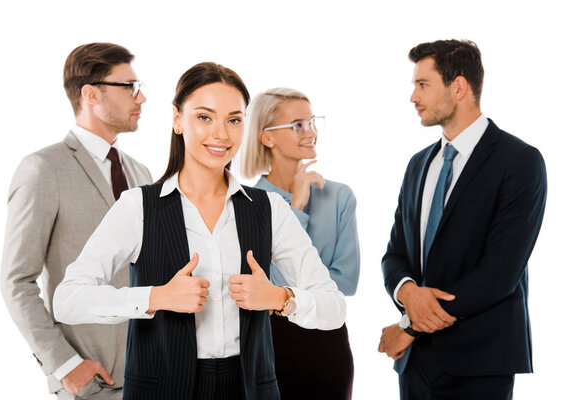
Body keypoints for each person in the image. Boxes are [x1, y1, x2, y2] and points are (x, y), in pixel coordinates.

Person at [53, 62, 346, 400]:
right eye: (204, 117)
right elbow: (67, 300)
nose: (221, 134)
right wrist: (156, 297)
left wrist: (280, 299)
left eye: (233, 120)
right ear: (178, 120)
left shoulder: (270, 209)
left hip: (251, 390)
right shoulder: (138, 207)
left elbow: (334, 308)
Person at [377, 39, 547, 400]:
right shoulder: (418, 165)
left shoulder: (520, 162)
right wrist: (406, 291)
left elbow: (498, 275)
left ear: (458, 87)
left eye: (423, 85)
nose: (413, 97)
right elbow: (395, 255)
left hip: (480, 365)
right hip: (415, 368)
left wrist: (409, 326)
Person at [0, 42, 152, 399]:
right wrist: (65, 365)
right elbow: (17, 281)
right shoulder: (44, 169)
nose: (141, 97)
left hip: (150, 374)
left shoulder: (141, 173)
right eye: (129, 86)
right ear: (91, 94)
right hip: (91, 383)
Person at [239, 88, 359, 399]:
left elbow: (345, 281)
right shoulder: (248, 202)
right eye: (298, 125)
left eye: (312, 121)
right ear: (268, 138)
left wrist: (287, 292)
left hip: (327, 343)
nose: (311, 132)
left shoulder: (339, 196)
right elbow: (263, 279)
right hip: (272, 344)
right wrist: (296, 209)